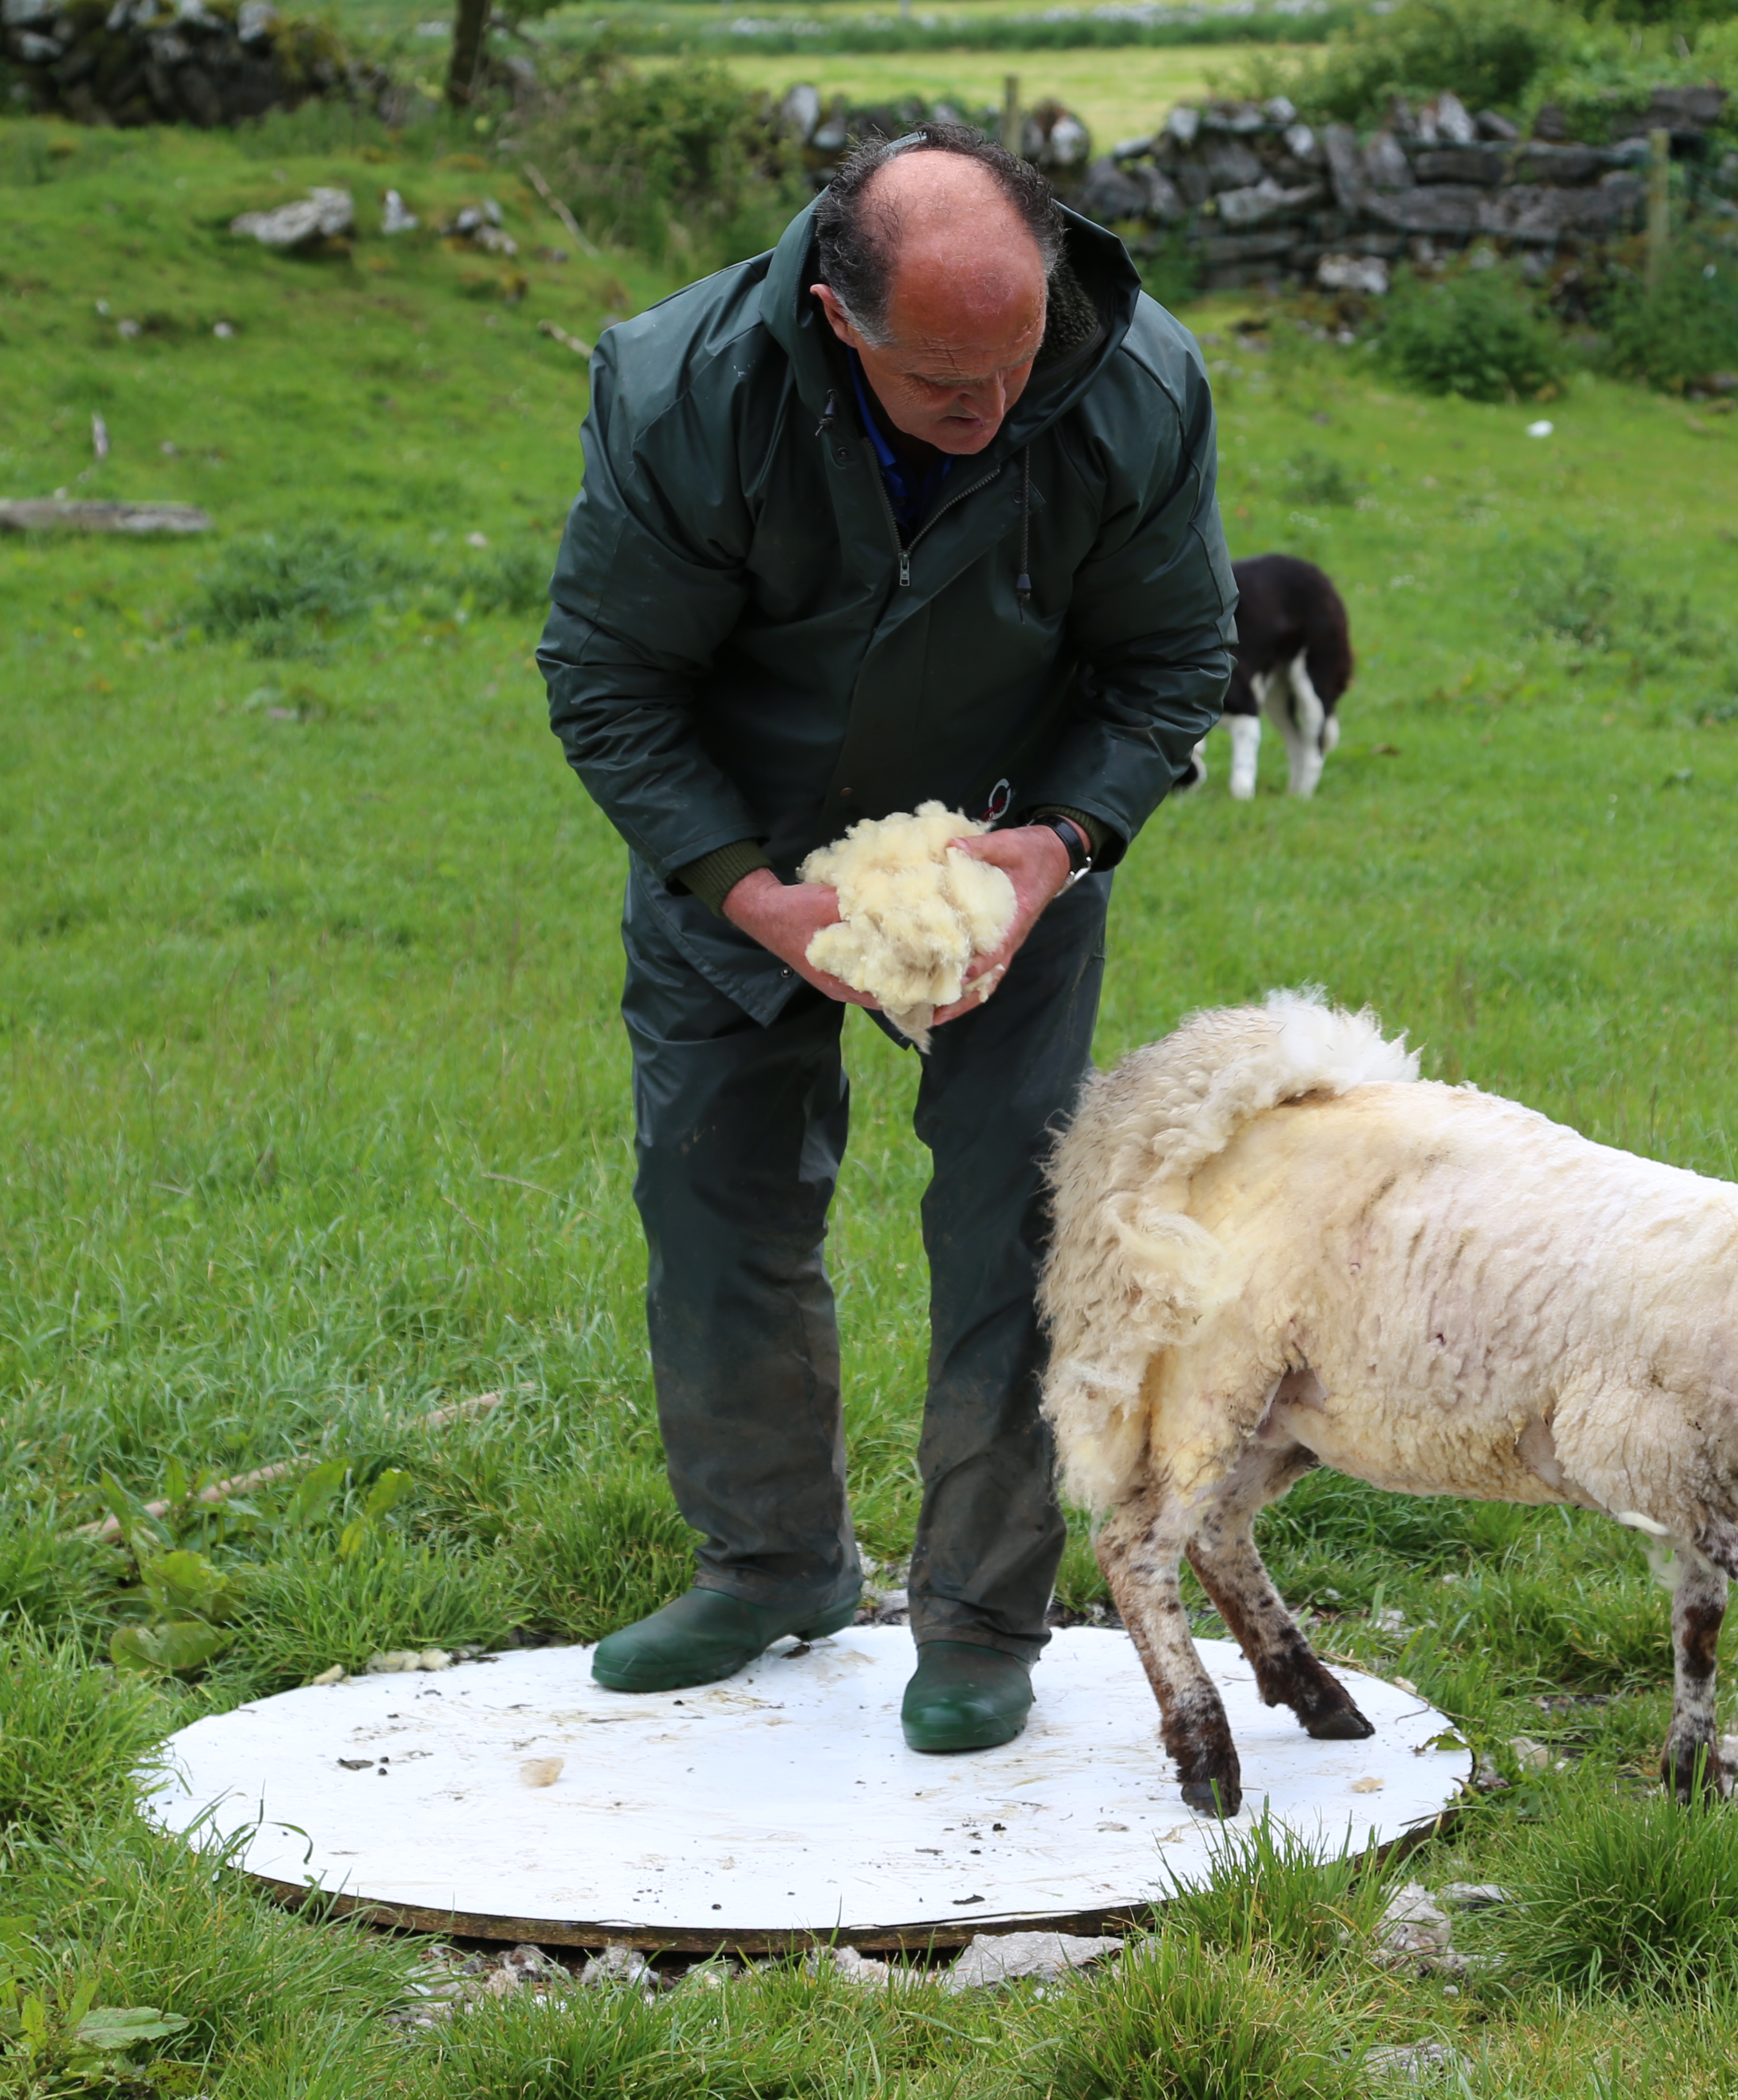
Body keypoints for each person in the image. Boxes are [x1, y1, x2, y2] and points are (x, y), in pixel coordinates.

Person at [538, 125, 1234, 1753]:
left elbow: (1175, 653)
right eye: (945, 386)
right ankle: (769, 1564)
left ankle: (983, 1617)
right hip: (747, 843)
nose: (992, 413)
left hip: (1012, 846)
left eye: (1018, 363)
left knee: (1014, 1226)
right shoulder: (679, 391)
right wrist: (746, 887)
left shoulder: (1134, 384)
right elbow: (610, 679)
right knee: (715, 1199)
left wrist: (1055, 847)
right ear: (844, 320)